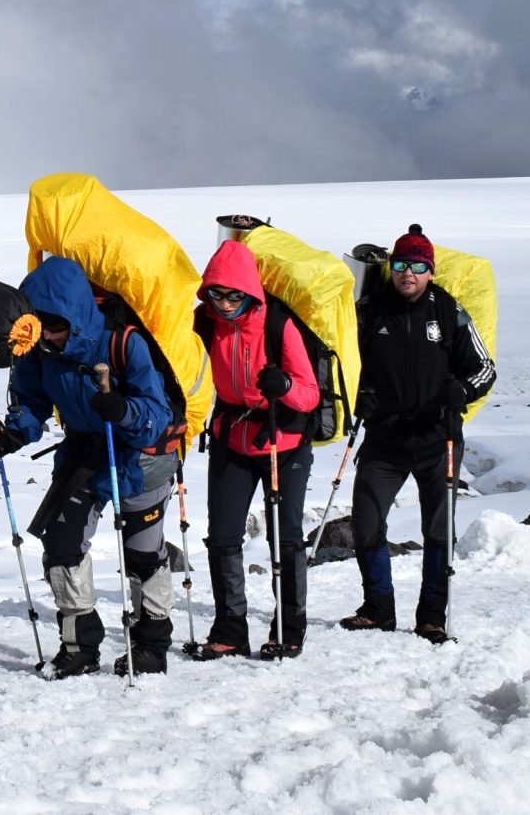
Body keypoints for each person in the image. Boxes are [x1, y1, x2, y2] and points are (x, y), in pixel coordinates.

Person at [0, 256, 177, 676]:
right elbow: (32, 403)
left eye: (56, 326)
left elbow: (156, 416)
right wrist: (13, 434)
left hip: (142, 457)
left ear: (76, 315)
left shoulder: (124, 344)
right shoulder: (41, 353)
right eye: (40, 326)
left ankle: (151, 644)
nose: (48, 336)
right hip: (85, 454)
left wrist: (122, 409)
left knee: (141, 553)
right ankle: (80, 645)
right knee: (62, 545)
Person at [341, 225, 495, 642]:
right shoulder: (369, 311)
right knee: (366, 523)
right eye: (402, 264)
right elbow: (344, 366)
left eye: (418, 266)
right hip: (385, 440)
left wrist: (459, 391)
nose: (409, 273)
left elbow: (485, 369)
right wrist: (361, 395)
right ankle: (378, 608)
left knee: (437, 530)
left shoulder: (449, 312)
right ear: (391, 267)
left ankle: (432, 616)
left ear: (430, 270)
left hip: (437, 440)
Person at [193, 239, 321, 659]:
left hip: (282, 440)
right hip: (231, 437)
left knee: (285, 539)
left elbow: (309, 393)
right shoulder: (206, 322)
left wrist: (282, 386)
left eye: (234, 295)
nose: (226, 303)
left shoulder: (278, 325)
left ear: (250, 292)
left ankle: (288, 628)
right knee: (223, 537)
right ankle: (230, 629)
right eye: (217, 293)